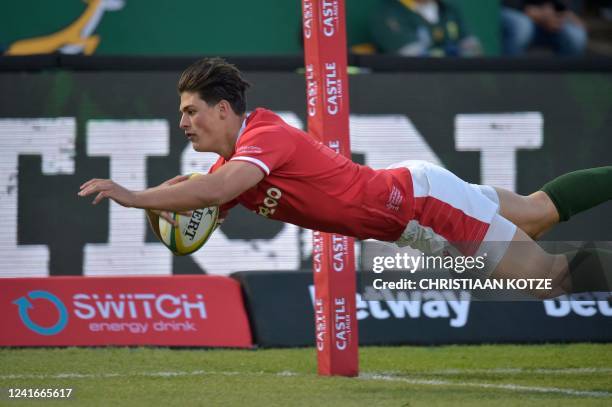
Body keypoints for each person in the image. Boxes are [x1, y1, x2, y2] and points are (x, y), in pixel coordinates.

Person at [78, 57, 612, 297]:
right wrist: (166, 203)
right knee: (539, 213)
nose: (183, 122)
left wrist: (132, 194)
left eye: (192, 110)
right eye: (181, 113)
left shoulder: (264, 136)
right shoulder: (229, 168)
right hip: (415, 202)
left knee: (549, 280)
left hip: (424, 206)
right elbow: (200, 210)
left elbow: (215, 191)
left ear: (224, 109)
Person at [370, 0, 482, 57]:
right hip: (414, 86)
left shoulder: (448, 9)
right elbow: (412, 60)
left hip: (457, 82)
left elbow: (473, 50)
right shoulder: (390, 12)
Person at [501, 0, 588, 56]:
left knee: (576, 35)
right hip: (514, 12)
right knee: (522, 26)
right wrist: (533, 12)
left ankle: (558, 82)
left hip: (552, 17)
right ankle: (509, 80)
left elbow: (571, 7)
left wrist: (563, 13)